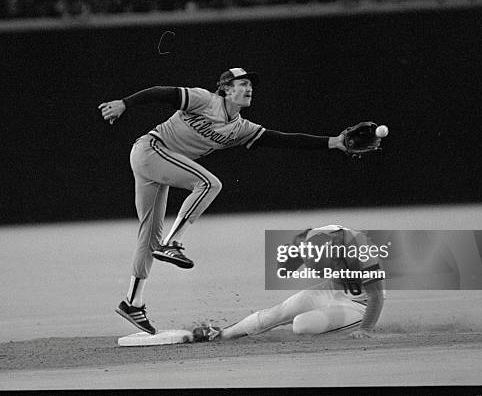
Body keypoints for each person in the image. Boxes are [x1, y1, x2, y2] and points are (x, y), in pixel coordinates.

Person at [98, 68, 349, 335]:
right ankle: (172, 243)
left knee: (149, 236)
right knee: (208, 183)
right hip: (151, 150)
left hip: (156, 162)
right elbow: (162, 92)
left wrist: (333, 142)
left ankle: (132, 303)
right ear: (226, 89)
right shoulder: (205, 100)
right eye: (243, 83)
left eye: (251, 84)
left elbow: (283, 139)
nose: (249, 88)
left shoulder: (241, 128)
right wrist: (125, 103)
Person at [193, 225, 386, 341]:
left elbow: (376, 296)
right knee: (278, 312)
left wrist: (366, 329)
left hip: (360, 302)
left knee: (302, 325)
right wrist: (289, 257)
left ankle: (344, 325)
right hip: (330, 289)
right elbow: (285, 268)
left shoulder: (361, 247)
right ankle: (222, 334)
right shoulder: (308, 240)